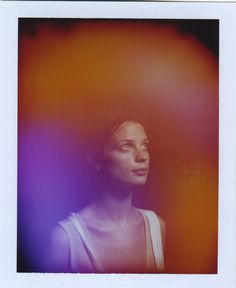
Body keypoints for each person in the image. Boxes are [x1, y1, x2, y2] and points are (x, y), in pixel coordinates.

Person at [49, 113, 165, 273]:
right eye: (126, 146)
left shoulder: (156, 226)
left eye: (144, 145)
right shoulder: (65, 240)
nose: (142, 156)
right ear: (96, 159)